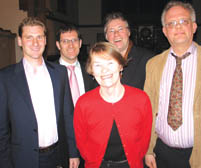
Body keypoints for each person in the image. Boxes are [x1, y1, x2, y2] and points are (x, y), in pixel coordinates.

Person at [144, 1, 201, 168]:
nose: (178, 27)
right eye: (171, 23)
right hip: (163, 155)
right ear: (165, 31)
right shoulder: (153, 65)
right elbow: (149, 111)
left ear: (194, 26)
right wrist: (148, 149)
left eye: (183, 21)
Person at [0, 17, 79, 168]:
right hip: (23, 159)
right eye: (29, 37)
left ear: (45, 40)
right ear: (19, 41)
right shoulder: (5, 78)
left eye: (39, 37)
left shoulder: (60, 73)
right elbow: (1, 131)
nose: (35, 43)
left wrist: (73, 152)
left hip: (57, 157)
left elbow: (68, 116)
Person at [74, 42, 153, 168]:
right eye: (98, 65)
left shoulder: (141, 99)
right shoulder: (83, 103)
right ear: (91, 71)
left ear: (120, 65)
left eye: (110, 63)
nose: (104, 70)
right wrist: (92, 159)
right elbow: (81, 140)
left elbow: (145, 137)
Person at [104, 12, 154, 90]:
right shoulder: (101, 62)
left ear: (129, 32)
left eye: (120, 29)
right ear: (106, 37)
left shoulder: (148, 59)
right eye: (111, 31)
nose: (116, 34)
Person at [56, 25, 97, 105]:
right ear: (58, 45)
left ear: (80, 43)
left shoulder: (91, 70)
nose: (70, 45)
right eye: (65, 41)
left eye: (74, 40)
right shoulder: (49, 72)